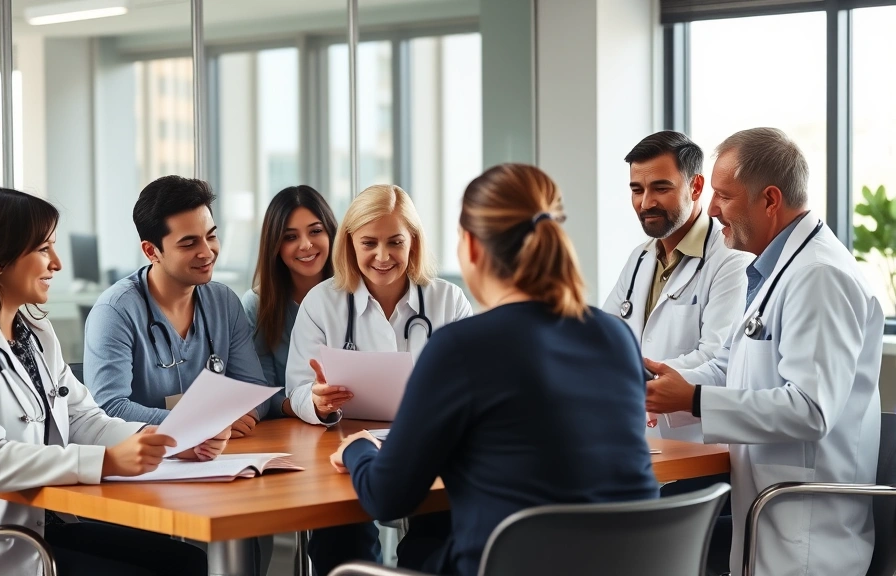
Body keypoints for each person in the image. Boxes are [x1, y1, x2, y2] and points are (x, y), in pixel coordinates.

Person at [330, 163, 659, 576]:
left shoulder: (461, 347)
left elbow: (386, 497)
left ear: (470, 247)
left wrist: (358, 447)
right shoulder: (614, 336)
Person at [0, 186, 224, 576]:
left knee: (184, 560)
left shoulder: (34, 334)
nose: (57, 263)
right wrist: (109, 460)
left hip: (31, 532)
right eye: (44, 249)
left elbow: (84, 420)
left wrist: (168, 442)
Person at [646, 128, 883, 576]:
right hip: (771, 522)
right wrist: (663, 382)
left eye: (724, 196)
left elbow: (810, 409)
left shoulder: (819, 277)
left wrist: (693, 399)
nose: (712, 210)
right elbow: (733, 367)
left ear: (770, 200)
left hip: (808, 540)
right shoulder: (775, 272)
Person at [286, 184, 473, 575]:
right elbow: (298, 388)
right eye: (369, 242)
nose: (383, 256)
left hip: (431, 446)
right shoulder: (323, 303)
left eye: (396, 242)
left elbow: (470, 387)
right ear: (349, 242)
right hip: (343, 451)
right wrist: (317, 402)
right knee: (342, 538)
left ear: (413, 242)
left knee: (438, 529)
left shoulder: (447, 300)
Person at [84, 175, 271, 435]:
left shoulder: (224, 302)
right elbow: (108, 408)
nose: (207, 252)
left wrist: (235, 416)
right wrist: (202, 421)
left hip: (220, 452)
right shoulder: (115, 312)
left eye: (211, 236)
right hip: (146, 462)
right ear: (151, 251)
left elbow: (255, 391)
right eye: (189, 243)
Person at [603, 130, 752, 440]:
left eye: (661, 188)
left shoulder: (730, 259)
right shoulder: (641, 258)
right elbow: (605, 338)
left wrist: (630, 378)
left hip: (696, 440)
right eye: (636, 189)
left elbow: (716, 357)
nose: (645, 202)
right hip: (638, 435)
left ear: (695, 186)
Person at [241, 185, 339, 418]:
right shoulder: (257, 305)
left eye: (315, 231)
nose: (305, 245)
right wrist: (308, 405)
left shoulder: (355, 296)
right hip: (290, 429)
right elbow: (261, 390)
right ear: (275, 245)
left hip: (356, 423)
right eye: (290, 237)